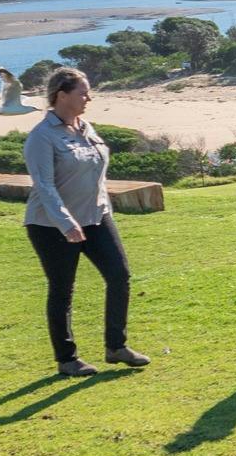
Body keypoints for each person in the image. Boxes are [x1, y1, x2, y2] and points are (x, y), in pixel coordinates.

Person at [22, 67, 149, 377]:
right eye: (82, 92)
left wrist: (105, 209)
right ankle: (67, 359)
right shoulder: (42, 137)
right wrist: (66, 223)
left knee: (120, 275)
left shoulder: (86, 127)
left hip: (95, 216)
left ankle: (116, 347)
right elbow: (44, 185)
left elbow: (97, 175)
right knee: (62, 289)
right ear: (61, 95)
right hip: (51, 226)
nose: (88, 98)